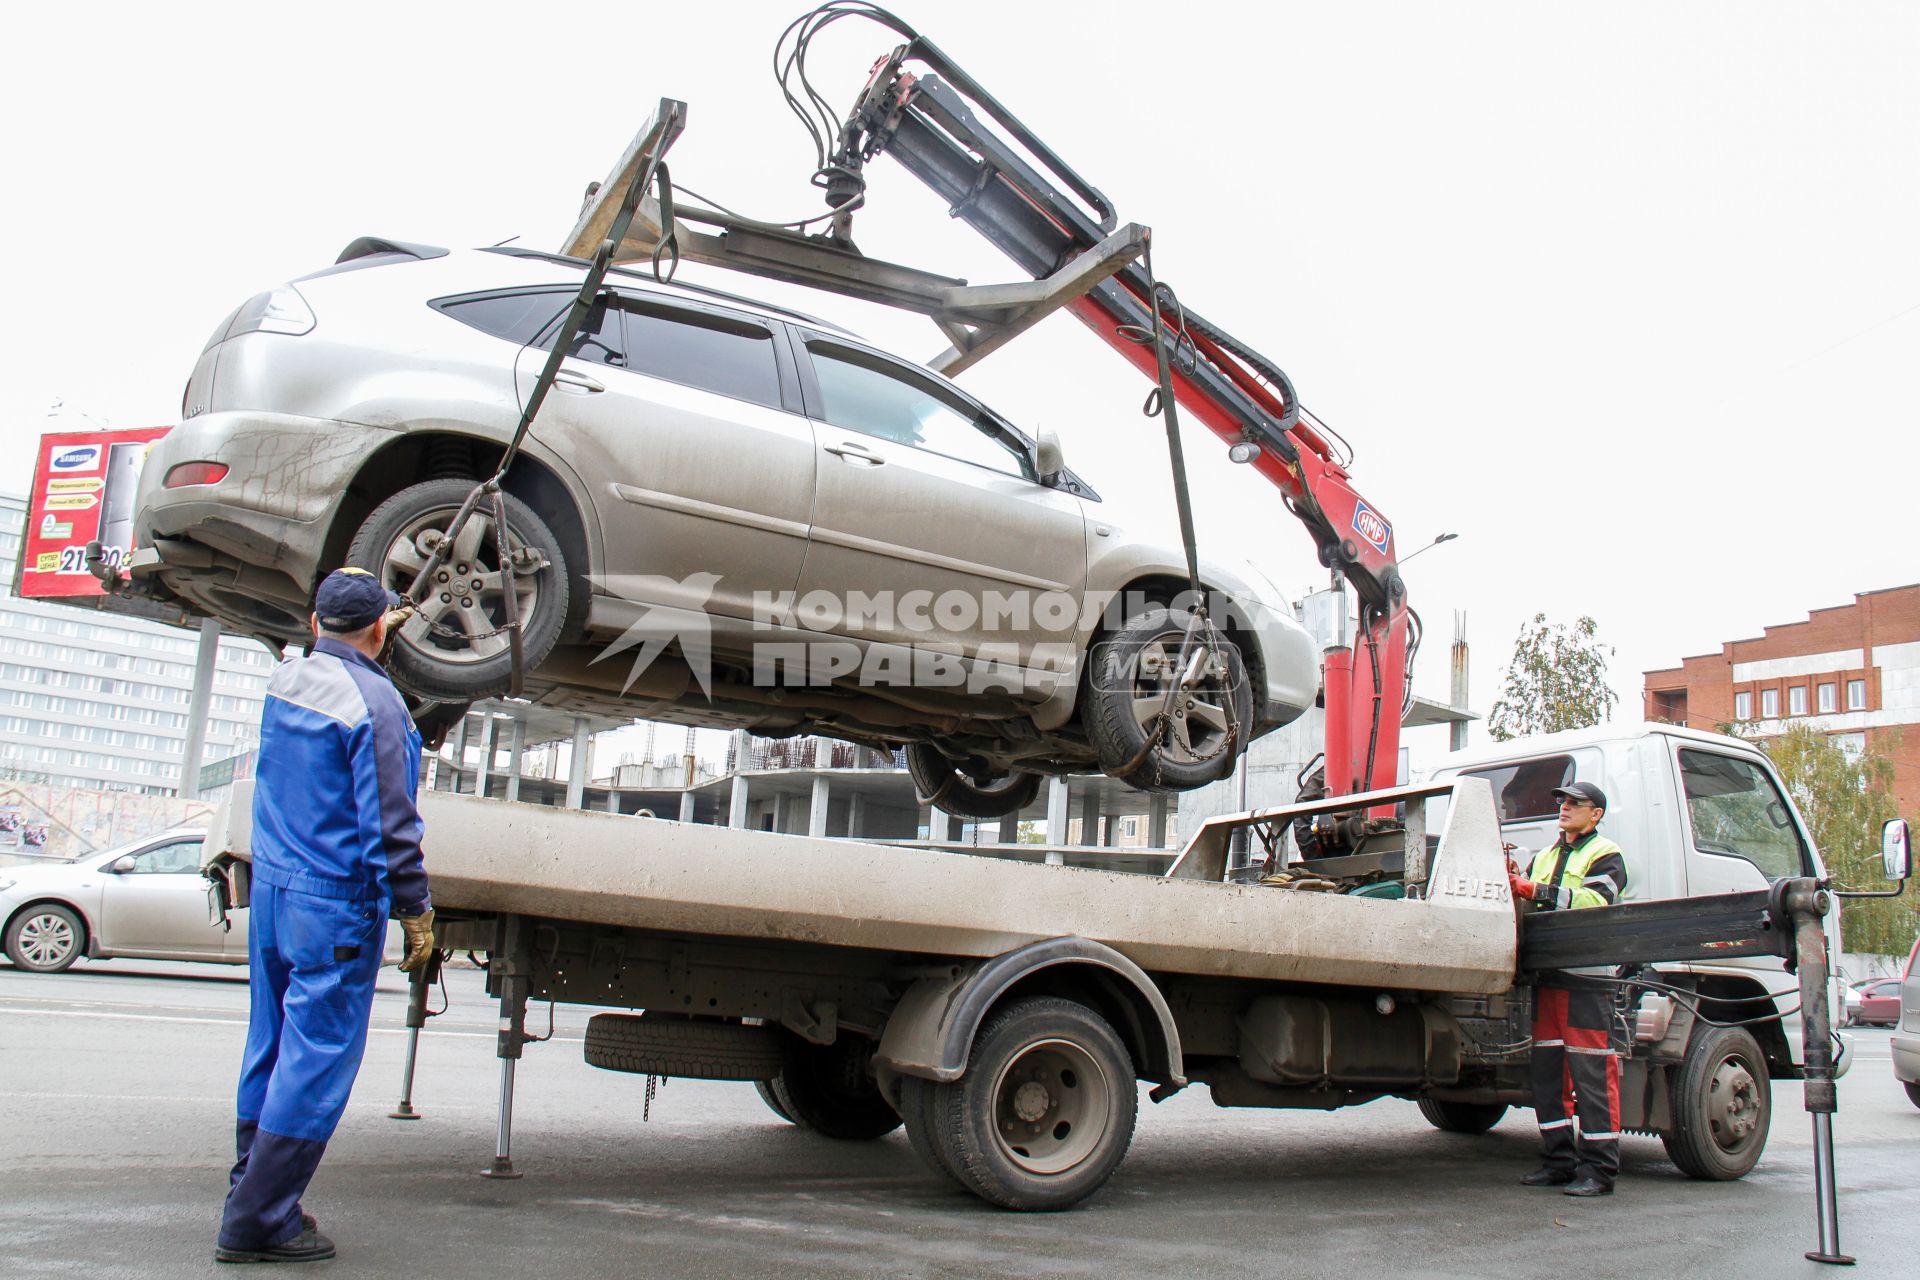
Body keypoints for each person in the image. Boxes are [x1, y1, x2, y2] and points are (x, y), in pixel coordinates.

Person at [216, 568, 435, 1264]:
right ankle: (259, 1220)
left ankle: (250, 1185)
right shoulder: (380, 708)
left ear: (315, 625)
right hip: (334, 905)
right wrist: (417, 911)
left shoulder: (287, 680)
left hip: (276, 892)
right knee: (315, 1062)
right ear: (379, 629)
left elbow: (326, 656)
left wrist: (361, 640)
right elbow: (391, 826)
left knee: (272, 1044)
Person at [1507, 779, 1628, 1198]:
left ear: (1596, 814)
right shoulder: (1544, 855)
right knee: (1548, 1075)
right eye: (1561, 800)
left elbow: (1597, 901)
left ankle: (1599, 1170)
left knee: (1592, 1076)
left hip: (1587, 981)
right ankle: (1558, 1161)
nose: (1565, 807)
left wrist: (1535, 890)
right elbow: (1523, 897)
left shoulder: (1607, 854)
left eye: (1576, 802)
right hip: (1549, 978)